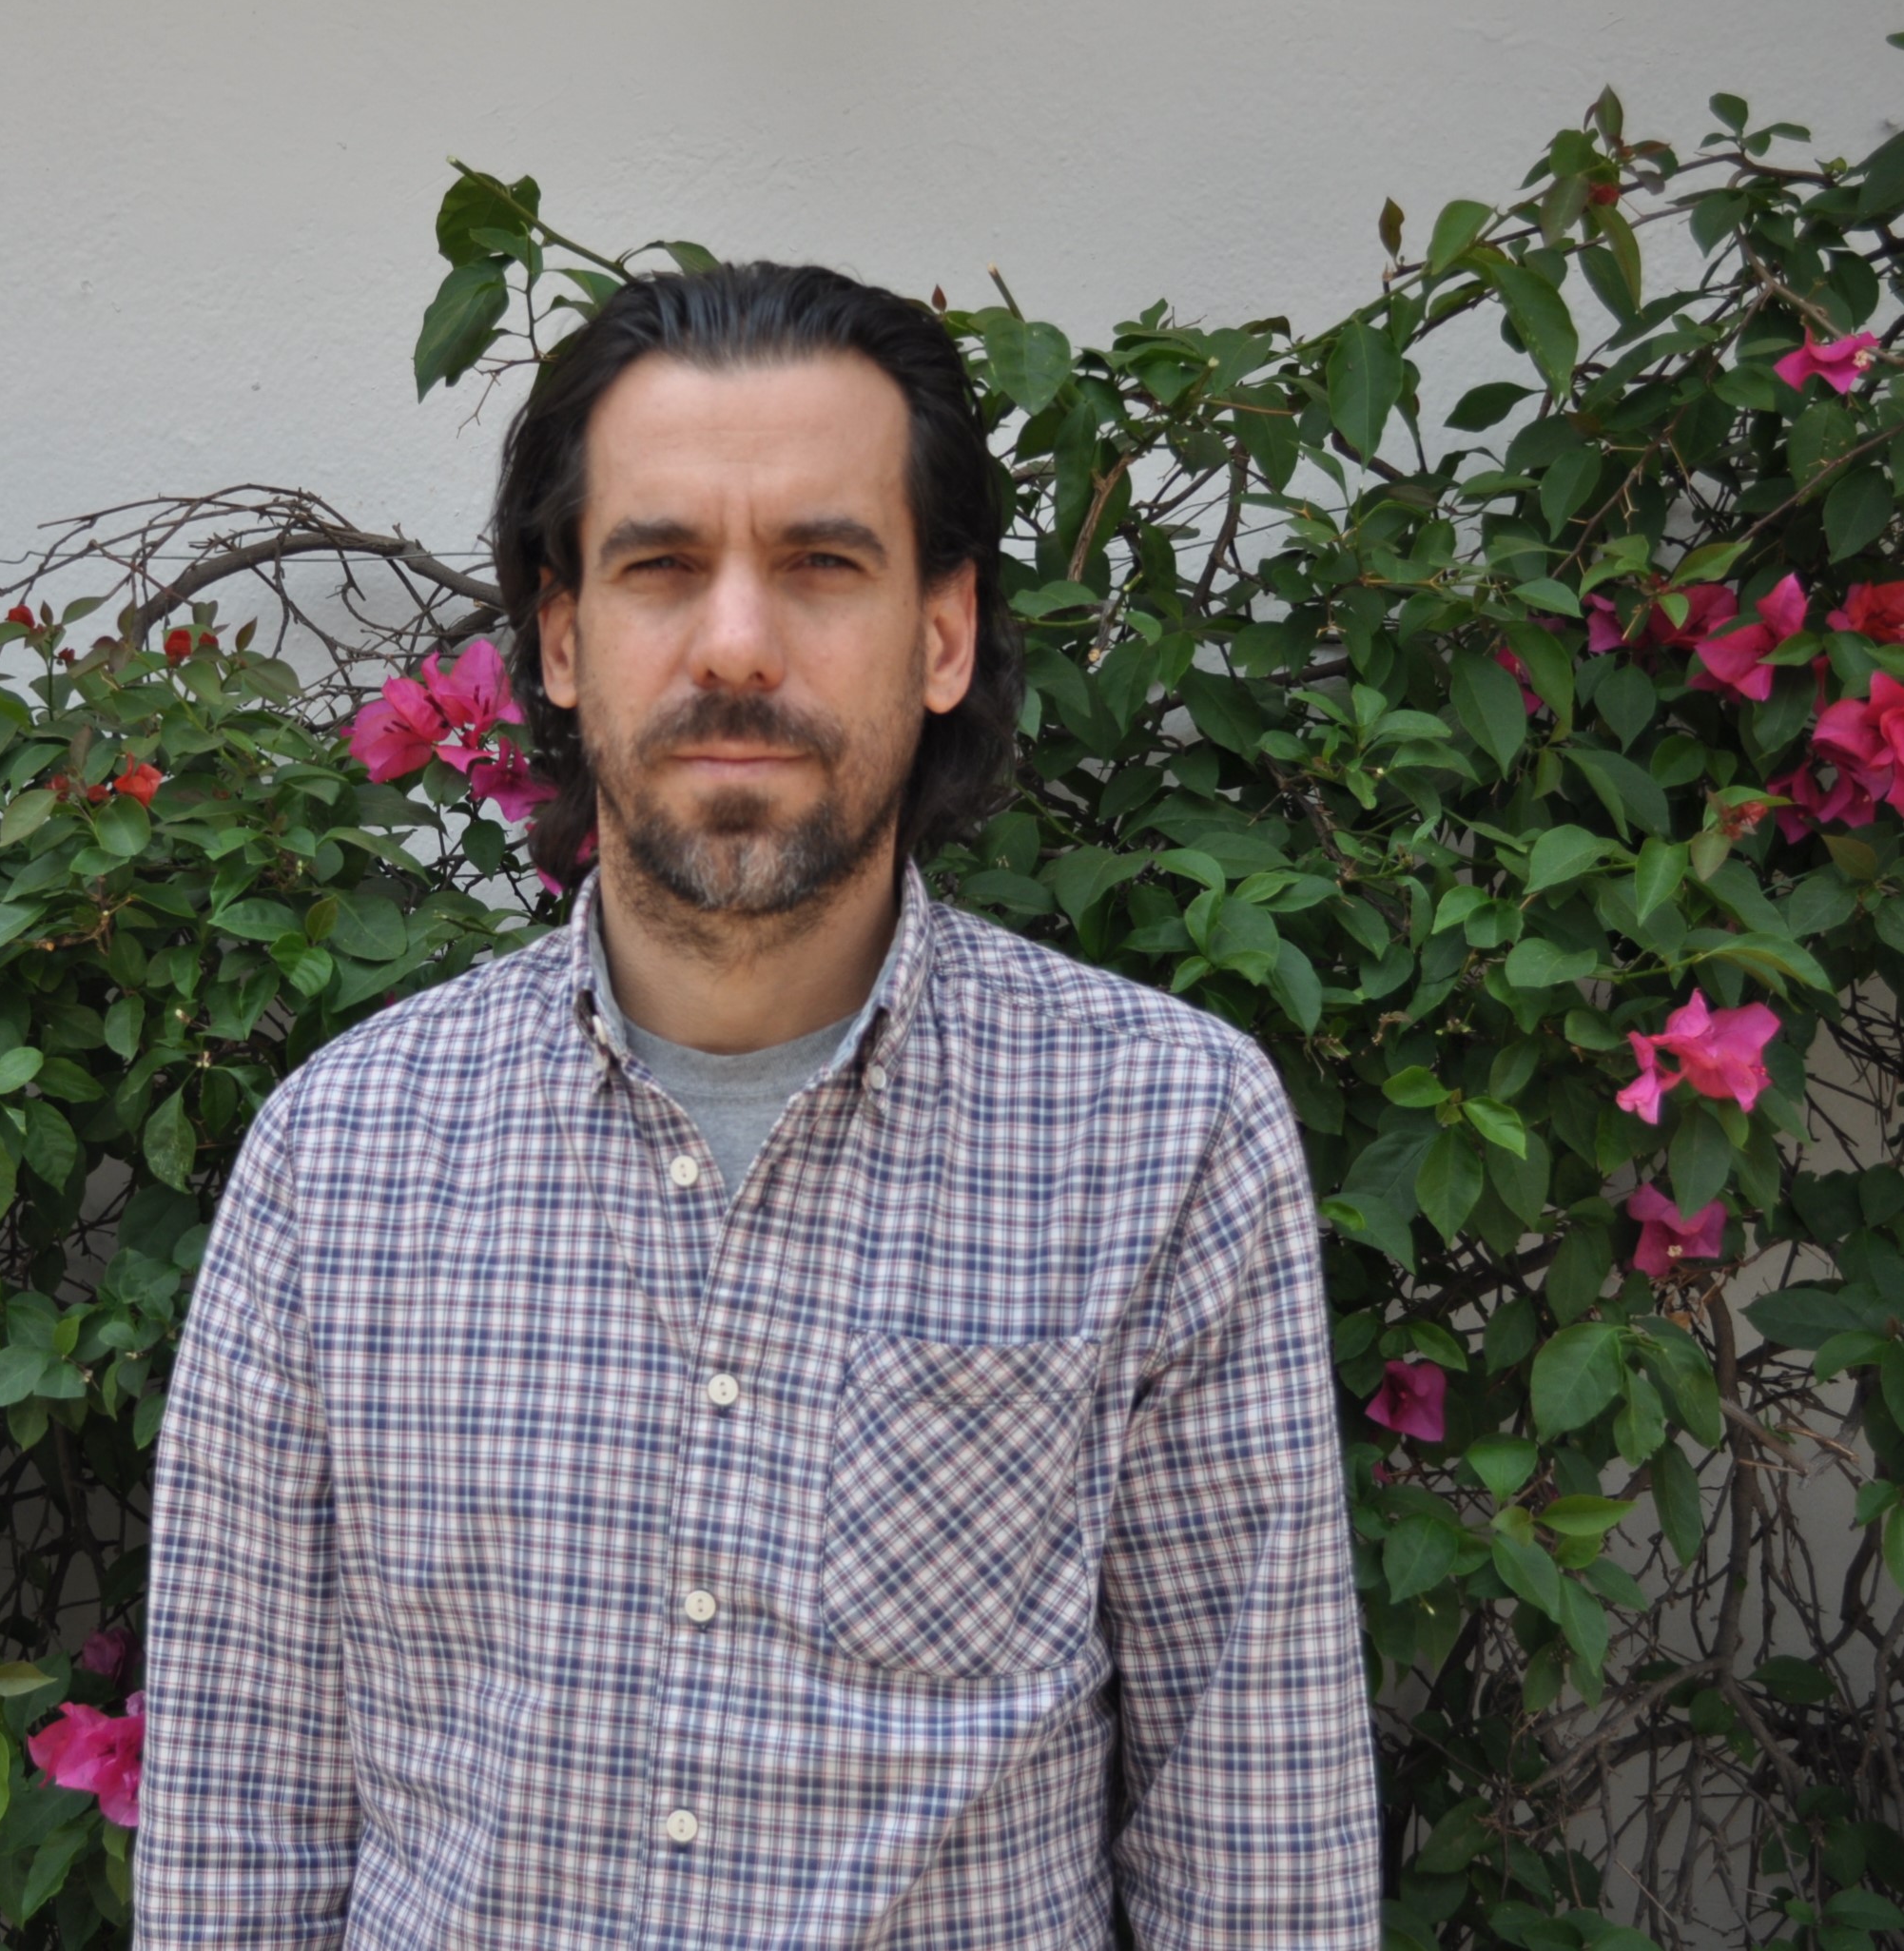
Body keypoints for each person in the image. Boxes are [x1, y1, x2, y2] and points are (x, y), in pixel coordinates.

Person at [136, 262, 1381, 1946]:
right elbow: (235, 1840)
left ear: (940, 633)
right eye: (658, 567)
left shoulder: (1164, 1135)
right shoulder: (336, 1158)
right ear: (560, 639)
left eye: (819, 565)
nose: (734, 644)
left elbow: (1259, 1856)